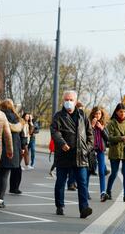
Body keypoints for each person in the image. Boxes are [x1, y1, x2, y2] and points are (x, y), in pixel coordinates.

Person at [51, 90, 94, 218]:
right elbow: (54, 132)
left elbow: (90, 135)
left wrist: (86, 149)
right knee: (60, 182)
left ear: (76, 102)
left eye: (71, 100)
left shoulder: (82, 115)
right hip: (63, 155)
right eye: (66, 99)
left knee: (82, 183)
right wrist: (62, 143)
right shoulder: (58, 116)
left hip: (80, 155)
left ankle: (84, 208)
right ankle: (60, 205)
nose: (68, 102)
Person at [106, 103, 125, 202]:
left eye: (124, 111)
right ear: (116, 112)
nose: (123, 113)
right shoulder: (112, 123)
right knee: (114, 173)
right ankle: (108, 191)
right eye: (120, 112)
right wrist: (121, 138)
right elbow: (109, 138)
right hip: (115, 151)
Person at [0, 99, 24, 195]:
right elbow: (21, 136)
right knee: (5, 175)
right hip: (13, 151)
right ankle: (1, 198)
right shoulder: (17, 119)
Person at [88, 106, 109, 202]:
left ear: (102, 115)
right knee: (89, 171)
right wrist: (92, 126)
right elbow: (86, 136)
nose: (98, 115)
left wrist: (101, 128)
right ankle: (85, 191)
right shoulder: (88, 123)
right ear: (93, 114)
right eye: (96, 113)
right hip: (91, 151)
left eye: (99, 113)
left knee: (101, 172)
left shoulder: (104, 125)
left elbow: (107, 138)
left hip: (100, 150)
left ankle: (103, 193)